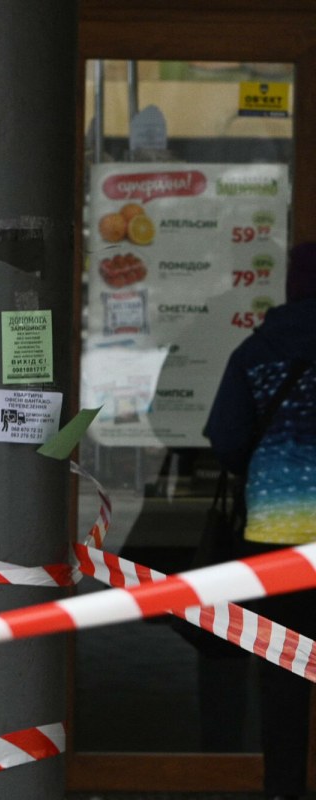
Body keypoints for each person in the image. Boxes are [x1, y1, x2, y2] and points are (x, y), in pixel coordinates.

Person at [206, 241, 316, 800]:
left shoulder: (256, 351)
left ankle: (284, 790)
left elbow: (226, 439)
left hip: (275, 538)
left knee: (284, 676)